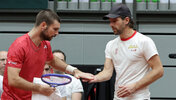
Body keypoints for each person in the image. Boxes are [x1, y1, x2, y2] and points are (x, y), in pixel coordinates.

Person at [1, 9, 93, 100]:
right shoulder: (19, 45)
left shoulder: (45, 44)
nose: (57, 33)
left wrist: (74, 71)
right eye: (55, 29)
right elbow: (13, 80)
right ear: (43, 25)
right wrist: (40, 88)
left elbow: (52, 60)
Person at [88, 4, 164, 100]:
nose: (111, 25)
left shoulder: (144, 41)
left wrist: (135, 86)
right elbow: (107, 72)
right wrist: (94, 78)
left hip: (140, 98)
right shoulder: (111, 45)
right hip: (118, 98)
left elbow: (159, 70)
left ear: (127, 20)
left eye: (115, 21)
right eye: (110, 21)